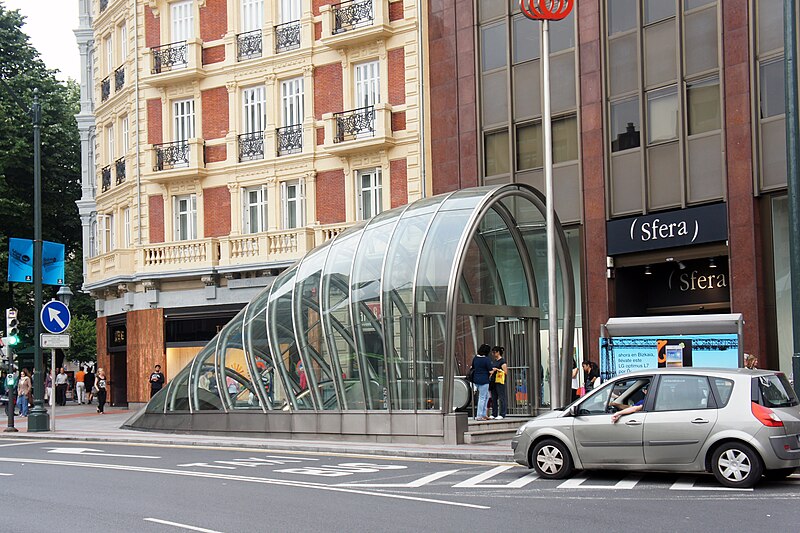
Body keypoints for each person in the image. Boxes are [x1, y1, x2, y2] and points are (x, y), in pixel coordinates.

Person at [470, 344, 494, 421]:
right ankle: (479, 415)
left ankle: (484, 414)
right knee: (482, 397)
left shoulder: (475, 358)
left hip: (476, 379)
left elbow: (473, 367)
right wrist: (494, 370)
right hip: (484, 380)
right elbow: (490, 370)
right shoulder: (486, 359)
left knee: (486, 396)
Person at [489, 346, 508, 420]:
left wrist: (497, 369)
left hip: (500, 381)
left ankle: (502, 413)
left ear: (498, 352)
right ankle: (494, 413)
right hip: (493, 381)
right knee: (494, 398)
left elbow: (505, 372)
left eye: (495, 352)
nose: (493, 354)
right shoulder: (494, 361)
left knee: (502, 397)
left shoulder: (502, 361)